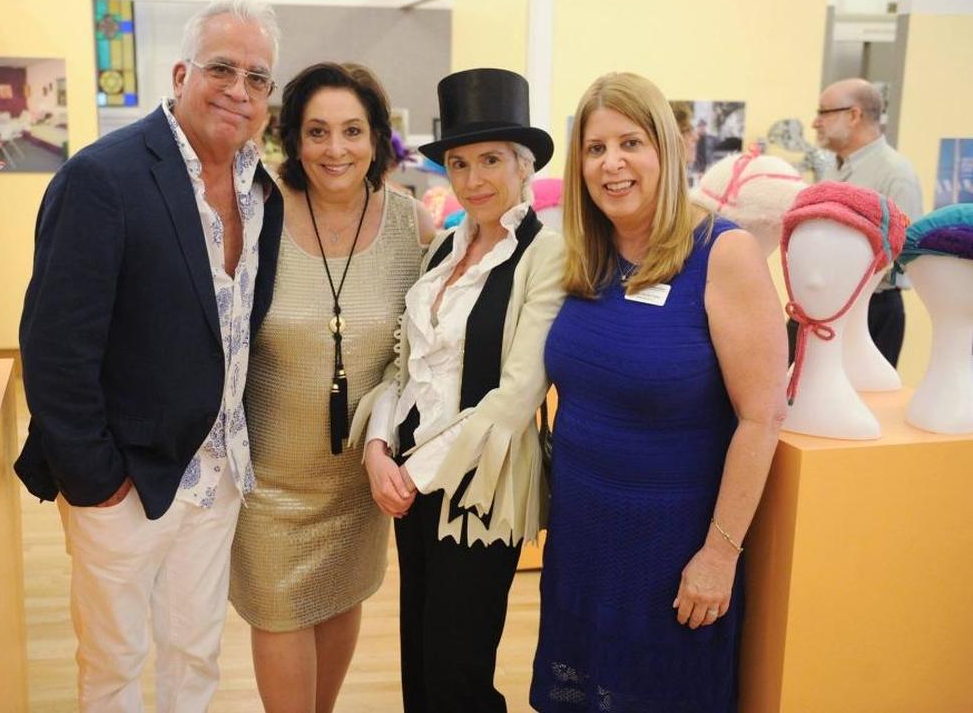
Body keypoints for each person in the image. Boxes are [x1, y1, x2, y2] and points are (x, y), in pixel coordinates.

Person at [14, 0, 283, 712]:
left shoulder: (264, 194)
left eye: (258, 79)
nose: (239, 90)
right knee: (113, 664)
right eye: (221, 68)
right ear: (180, 73)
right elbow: (54, 349)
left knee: (195, 655)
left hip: (217, 476)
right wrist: (97, 480)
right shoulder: (105, 178)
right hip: (124, 482)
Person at [530, 72, 787, 712]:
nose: (611, 163)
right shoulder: (586, 257)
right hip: (583, 543)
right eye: (594, 149)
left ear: (665, 152)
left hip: (672, 553)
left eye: (630, 143)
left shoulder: (722, 253)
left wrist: (719, 555)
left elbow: (761, 417)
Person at [229, 61, 434, 713]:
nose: (335, 149)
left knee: (340, 600)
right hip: (268, 484)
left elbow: (423, 351)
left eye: (352, 131)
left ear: (377, 138)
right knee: (282, 614)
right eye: (317, 132)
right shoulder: (256, 218)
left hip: (357, 482)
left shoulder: (411, 226)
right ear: (292, 138)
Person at [358, 67, 565, 712]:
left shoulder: (546, 253)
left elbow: (517, 394)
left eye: (491, 160)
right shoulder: (442, 250)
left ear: (524, 165)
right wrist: (377, 446)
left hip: (480, 484)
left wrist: (414, 473)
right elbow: (407, 369)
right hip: (408, 478)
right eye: (459, 162)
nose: (474, 180)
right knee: (419, 654)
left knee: (459, 667)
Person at [806, 77, 923, 366]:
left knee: (867, 403)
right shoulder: (833, 169)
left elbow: (904, 255)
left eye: (823, 112)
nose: (814, 122)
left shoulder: (895, 174)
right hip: (825, 308)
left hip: (873, 311)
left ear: (854, 115)